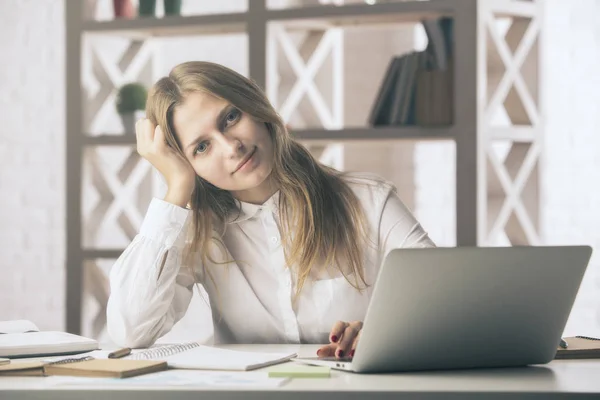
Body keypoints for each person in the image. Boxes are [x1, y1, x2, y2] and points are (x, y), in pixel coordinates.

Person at [106, 61, 435, 359]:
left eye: (231, 117)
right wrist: (177, 187)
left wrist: (383, 332)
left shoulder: (368, 201)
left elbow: (447, 305)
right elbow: (130, 332)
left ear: (256, 108)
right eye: (202, 147)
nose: (232, 147)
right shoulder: (198, 231)